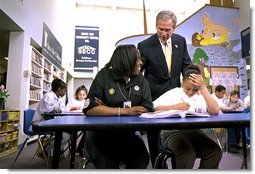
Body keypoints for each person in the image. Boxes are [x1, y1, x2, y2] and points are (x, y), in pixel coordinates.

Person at [82, 44, 153, 169]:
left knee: (142, 159)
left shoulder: (141, 79)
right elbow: (91, 109)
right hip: (101, 134)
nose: (141, 62)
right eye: (137, 59)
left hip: (128, 135)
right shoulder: (103, 76)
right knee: (107, 162)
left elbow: (147, 107)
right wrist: (126, 111)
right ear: (126, 60)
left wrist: (106, 108)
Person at [137, 10, 192, 165]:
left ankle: (177, 161)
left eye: (167, 30)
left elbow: (186, 65)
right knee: (154, 136)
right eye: (160, 29)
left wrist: (192, 82)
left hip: (176, 96)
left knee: (175, 134)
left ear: (174, 28)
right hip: (155, 98)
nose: (163, 33)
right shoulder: (145, 45)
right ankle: (157, 164)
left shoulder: (180, 42)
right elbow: (138, 72)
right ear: (156, 26)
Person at [153, 64, 222, 169]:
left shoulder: (201, 96)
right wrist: (175, 107)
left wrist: (203, 88)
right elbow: (154, 108)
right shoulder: (174, 92)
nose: (190, 92)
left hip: (194, 132)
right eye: (187, 88)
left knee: (215, 151)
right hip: (171, 131)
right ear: (182, 83)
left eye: (194, 90)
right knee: (186, 153)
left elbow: (215, 111)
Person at [32, 78, 70, 158]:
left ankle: (49, 147)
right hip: (40, 123)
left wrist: (58, 110)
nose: (65, 92)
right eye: (64, 90)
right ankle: (48, 151)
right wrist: (56, 109)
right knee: (65, 135)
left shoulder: (59, 98)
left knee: (69, 133)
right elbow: (50, 111)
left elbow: (62, 110)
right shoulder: (48, 96)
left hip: (51, 122)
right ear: (59, 89)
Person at [66, 85, 88, 156]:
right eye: (80, 94)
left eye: (83, 95)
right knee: (73, 132)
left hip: (83, 121)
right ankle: (73, 149)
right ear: (77, 94)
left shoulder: (87, 101)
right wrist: (74, 108)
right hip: (72, 120)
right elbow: (66, 110)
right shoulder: (72, 100)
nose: (82, 96)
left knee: (88, 131)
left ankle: (80, 148)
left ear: (86, 95)